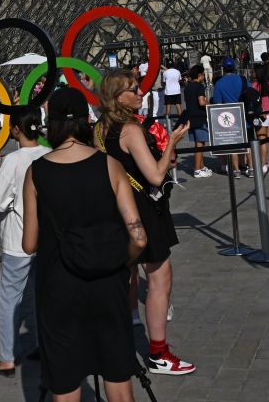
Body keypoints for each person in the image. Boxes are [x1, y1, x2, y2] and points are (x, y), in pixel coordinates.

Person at [21, 86, 149, 402]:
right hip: (108, 282)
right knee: (119, 380)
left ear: (50, 123)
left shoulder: (37, 171)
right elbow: (139, 236)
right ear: (85, 121)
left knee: (65, 384)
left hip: (59, 285)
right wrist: (124, 261)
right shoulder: (109, 165)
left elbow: (29, 244)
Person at [95, 69, 195, 376]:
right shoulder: (131, 130)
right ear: (117, 97)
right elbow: (153, 175)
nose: (141, 93)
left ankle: (120, 342)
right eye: (134, 90)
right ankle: (158, 353)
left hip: (117, 209)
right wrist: (171, 143)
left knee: (127, 278)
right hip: (144, 211)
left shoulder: (99, 129)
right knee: (159, 279)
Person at [0, 111, 48, 377]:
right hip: (48, 236)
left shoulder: (13, 160)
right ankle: (43, 346)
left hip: (19, 236)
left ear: (15, 130)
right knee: (42, 295)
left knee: (10, 299)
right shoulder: (49, 152)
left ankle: (7, 358)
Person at [210, 58, 247, 177]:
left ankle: (236, 170)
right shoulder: (242, 79)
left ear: (223, 68)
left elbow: (217, 103)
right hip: (244, 113)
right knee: (244, 141)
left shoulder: (219, 83)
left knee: (233, 142)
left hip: (229, 116)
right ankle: (245, 165)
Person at [183, 65, 211, 178]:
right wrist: (212, 105)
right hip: (200, 117)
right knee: (199, 145)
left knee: (199, 144)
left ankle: (202, 166)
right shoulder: (199, 86)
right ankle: (197, 169)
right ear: (199, 75)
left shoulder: (187, 87)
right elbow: (201, 102)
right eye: (203, 74)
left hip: (191, 117)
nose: (204, 76)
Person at [252, 63, 269, 172]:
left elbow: (253, 101)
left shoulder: (254, 85)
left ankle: (263, 165)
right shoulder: (268, 84)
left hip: (261, 115)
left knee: (262, 140)